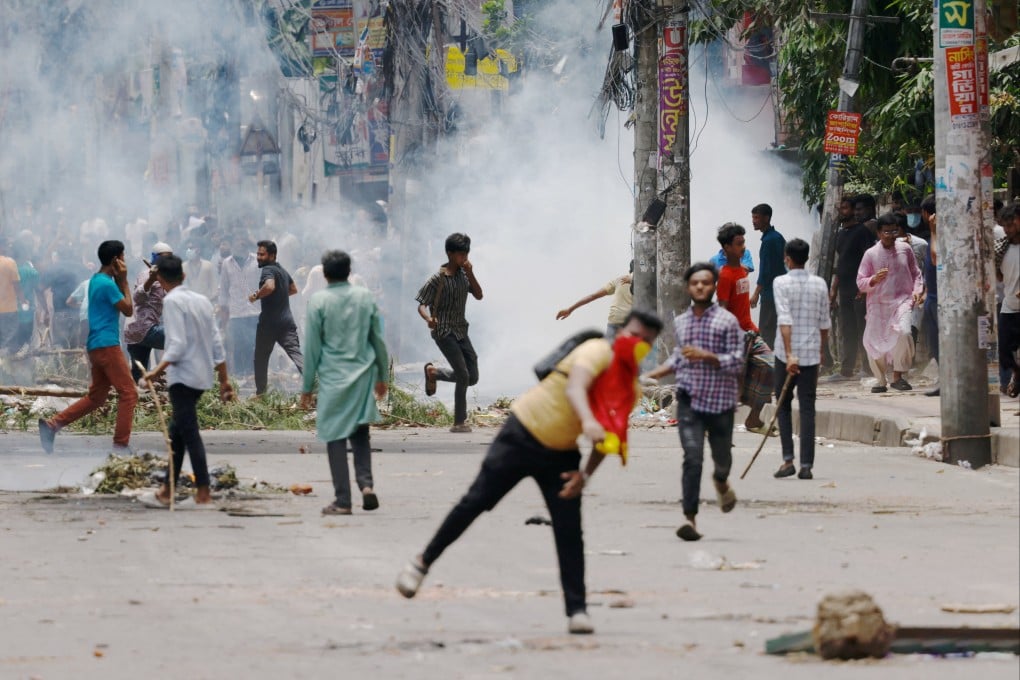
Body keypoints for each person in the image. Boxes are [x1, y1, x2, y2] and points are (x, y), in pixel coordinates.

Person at [395, 310, 663, 635]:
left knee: (569, 529)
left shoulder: (629, 388)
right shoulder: (596, 351)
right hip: (521, 434)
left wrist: (585, 476)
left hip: (561, 453)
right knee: (476, 501)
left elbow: (610, 437)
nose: (637, 343)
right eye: (634, 335)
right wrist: (588, 421)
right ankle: (421, 564)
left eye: (646, 342)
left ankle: (577, 610)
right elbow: (576, 387)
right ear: (621, 332)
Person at [645, 263, 742, 542]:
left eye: (706, 283)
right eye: (695, 283)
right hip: (689, 400)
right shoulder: (681, 322)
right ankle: (690, 519)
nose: (700, 287)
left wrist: (708, 356)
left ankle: (721, 482)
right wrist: (654, 373)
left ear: (713, 287)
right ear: (688, 287)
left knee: (721, 460)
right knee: (692, 457)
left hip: (721, 402)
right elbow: (679, 357)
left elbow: (737, 361)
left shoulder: (727, 321)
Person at [140, 255, 234, 506]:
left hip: (182, 378)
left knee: (189, 434)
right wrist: (224, 380)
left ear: (160, 280)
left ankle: (203, 491)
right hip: (202, 377)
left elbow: (177, 345)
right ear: (183, 276)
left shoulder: (171, 302)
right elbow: (216, 341)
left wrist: (154, 372)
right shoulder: (202, 301)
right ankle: (167, 490)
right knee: (177, 433)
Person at [300, 250, 389, 516]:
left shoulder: (319, 301)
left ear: (325, 274)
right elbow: (378, 341)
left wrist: (306, 387)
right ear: (349, 272)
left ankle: (343, 500)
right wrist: (383, 376)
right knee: (360, 433)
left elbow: (312, 349)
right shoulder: (365, 297)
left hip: (333, 379)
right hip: (363, 376)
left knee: (335, 436)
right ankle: (366, 485)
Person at [39, 241, 138, 454]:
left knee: (96, 397)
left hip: (95, 345)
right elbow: (129, 309)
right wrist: (124, 280)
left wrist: (119, 279)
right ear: (116, 260)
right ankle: (121, 445)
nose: (125, 262)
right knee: (129, 393)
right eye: (123, 257)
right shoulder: (107, 284)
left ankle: (52, 425)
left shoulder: (95, 280)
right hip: (107, 345)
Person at [771, 239, 831, 480]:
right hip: (810, 355)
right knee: (808, 409)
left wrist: (788, 355)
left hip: (785, 355)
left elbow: (784, 319)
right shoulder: (819, 284)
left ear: (787, 258)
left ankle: (788, 460)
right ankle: (806, 465)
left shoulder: (780, 282)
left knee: (783, 407)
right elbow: (825, 322)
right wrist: (821, 350)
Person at [416, 233, 483, 433]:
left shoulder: (464, 274)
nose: (464, 258)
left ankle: (434, 373)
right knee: (462, 374)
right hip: (443, 331)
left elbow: (479, 295)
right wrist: (428, 319)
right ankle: (459, 421)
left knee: (472, 377)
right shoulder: (438, 278)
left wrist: (470, 273)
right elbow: (422, 304)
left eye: (466, 254)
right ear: (450, 254)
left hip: (461, 329)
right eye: (460, 255)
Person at [714, 223, 772, 432]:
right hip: (735, 336)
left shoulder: (742, 271)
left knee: (770, 366)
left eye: (743, 242)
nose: (743, 247)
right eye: (739, 244)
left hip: (750, 332)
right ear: (727, 248)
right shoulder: (725, 275)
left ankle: (754, 417)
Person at [856, 214, 923, 393]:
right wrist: (873, 279)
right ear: (879, 233)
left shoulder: (905, 249)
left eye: (894, 231)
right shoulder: (870, 254)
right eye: (887, 232)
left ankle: (898, 376)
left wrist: (917, 291)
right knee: (872, 341)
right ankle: (880, 380)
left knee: (905, 332)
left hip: (902, 301)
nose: (891, 235)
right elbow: (860, 282)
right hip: (878, 306)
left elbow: (916, 273)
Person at [826, 196, 876, 381]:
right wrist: (834, 290)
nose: (841, 211)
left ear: (853, 210)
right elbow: (841, 264)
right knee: (848, 330)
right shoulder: (840, 234)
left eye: (845, 208)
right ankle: (847, 370)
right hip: (845, 289)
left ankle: (868, 368)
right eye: (840, 208)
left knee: (863, 328)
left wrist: (865, 286)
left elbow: (869, 260)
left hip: (859, 290)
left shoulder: (862, 232)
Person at [250, 240, 303, 395]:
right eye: (258, 254)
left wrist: (256, 295)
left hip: (269, 324)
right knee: (296, 353)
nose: (258, 257)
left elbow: (270, 286)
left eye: (262, 254)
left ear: (272, 256)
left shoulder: (268, 270)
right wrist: (277, 296)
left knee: (260, 358)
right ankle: (316, 384)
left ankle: (261, 395)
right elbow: (293, 289)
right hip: (287, 321)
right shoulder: (282, 270)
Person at [125, 241, 173, 382]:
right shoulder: (146, 274)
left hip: (137, 331)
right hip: (143, 328)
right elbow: (138, 297)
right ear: (155, 258)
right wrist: (152, 279)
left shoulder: (165, 277)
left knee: (140, 378)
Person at [218, 234, 260, 379]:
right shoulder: (226, 263)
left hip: (255, 310)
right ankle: (239, 374)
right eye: (236, 244)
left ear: (247, 246)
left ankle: (252, 373)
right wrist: (223, 311)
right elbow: (223, 289)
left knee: (254, 343)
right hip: (236, 311)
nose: (239, 247)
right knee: (239, 344)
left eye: (242, 244)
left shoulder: (257, 261)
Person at [556, 262, 633, 340]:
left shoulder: (619, 280)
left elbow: (593, 296)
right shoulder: (642, 282)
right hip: (632, 324)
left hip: (614, 322)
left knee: (609, 350)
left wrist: (570, 309)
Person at [748, 203, 786, 350]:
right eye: (753, 217)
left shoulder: (770, 240)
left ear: (766, 218)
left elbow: (766, 271)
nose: (753, 221)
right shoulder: (775, 237)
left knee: (767, 331)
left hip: (771, 293)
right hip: (778, 291)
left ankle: (768, 368)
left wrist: (756, 293)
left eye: (756, 217)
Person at [995, 203, 1020, 398]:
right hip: (1010, 306)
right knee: (1004, 353)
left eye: (1010, 225)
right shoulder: (1001, 247)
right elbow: (1000, 276)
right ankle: (1017, 374)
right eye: (1004, 225)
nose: (1007, 229)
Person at [920, 197, 940, 397]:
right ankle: (944, 381)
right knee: (934, 345)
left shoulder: (938, 236)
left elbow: (935, 260)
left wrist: (934, 231)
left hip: (940, 300)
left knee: (940, 344)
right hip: (932, 297)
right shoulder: (930, 239)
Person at [0, 238, 26, 354]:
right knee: (8, 342)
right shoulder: (9, 262)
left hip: (7, 310)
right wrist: (23, 301)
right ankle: (6, 368)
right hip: (8, 310)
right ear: (3, 247)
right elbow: (17, 285)